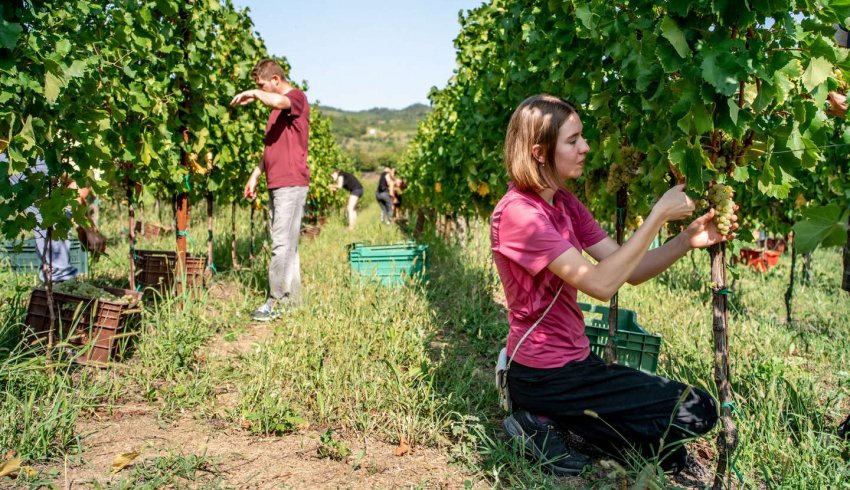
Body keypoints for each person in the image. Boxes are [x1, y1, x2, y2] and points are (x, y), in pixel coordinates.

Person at [492, 95, 734, 475]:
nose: (585, 147)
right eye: (573, 141)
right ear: (539, 152)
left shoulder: (565, 205)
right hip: (545, 374)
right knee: (697, 409)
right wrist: (657, 216)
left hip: (578, 364)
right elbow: (602, 285)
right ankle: (536, 421)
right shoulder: (519, 215)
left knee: (664, 441)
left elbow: (629, 270)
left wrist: (686, 239)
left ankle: (555, 422)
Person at [231, 59, 310, 321]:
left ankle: (275, 301)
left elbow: (277, 101)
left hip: (291, 183)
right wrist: (255, 175)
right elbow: (270, 151)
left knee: (280, 244)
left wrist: (254, 94)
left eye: (262, 84)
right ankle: (293, 301)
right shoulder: (275, 114)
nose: (259, 89)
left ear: (275, 80)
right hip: (277, 183)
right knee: (288, 246)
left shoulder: (295, 98)